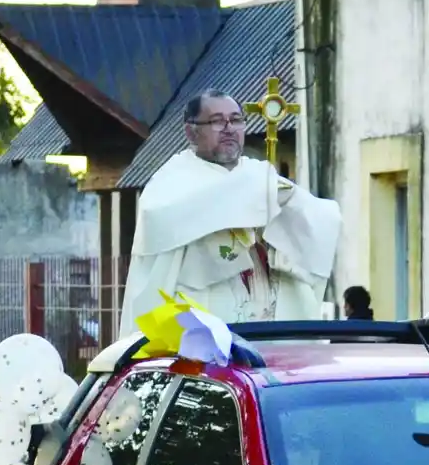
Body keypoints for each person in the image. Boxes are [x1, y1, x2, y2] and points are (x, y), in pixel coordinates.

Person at [117, 89, 341, 337]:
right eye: (216, 121)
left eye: (235, 120)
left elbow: (320, 216)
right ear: (191, 131)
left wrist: (283, 207)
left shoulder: (258, 174)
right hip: (204, 312)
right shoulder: (172, 181)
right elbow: (160, 217)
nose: (228, 128)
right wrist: (248, 201)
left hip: (266, 304)